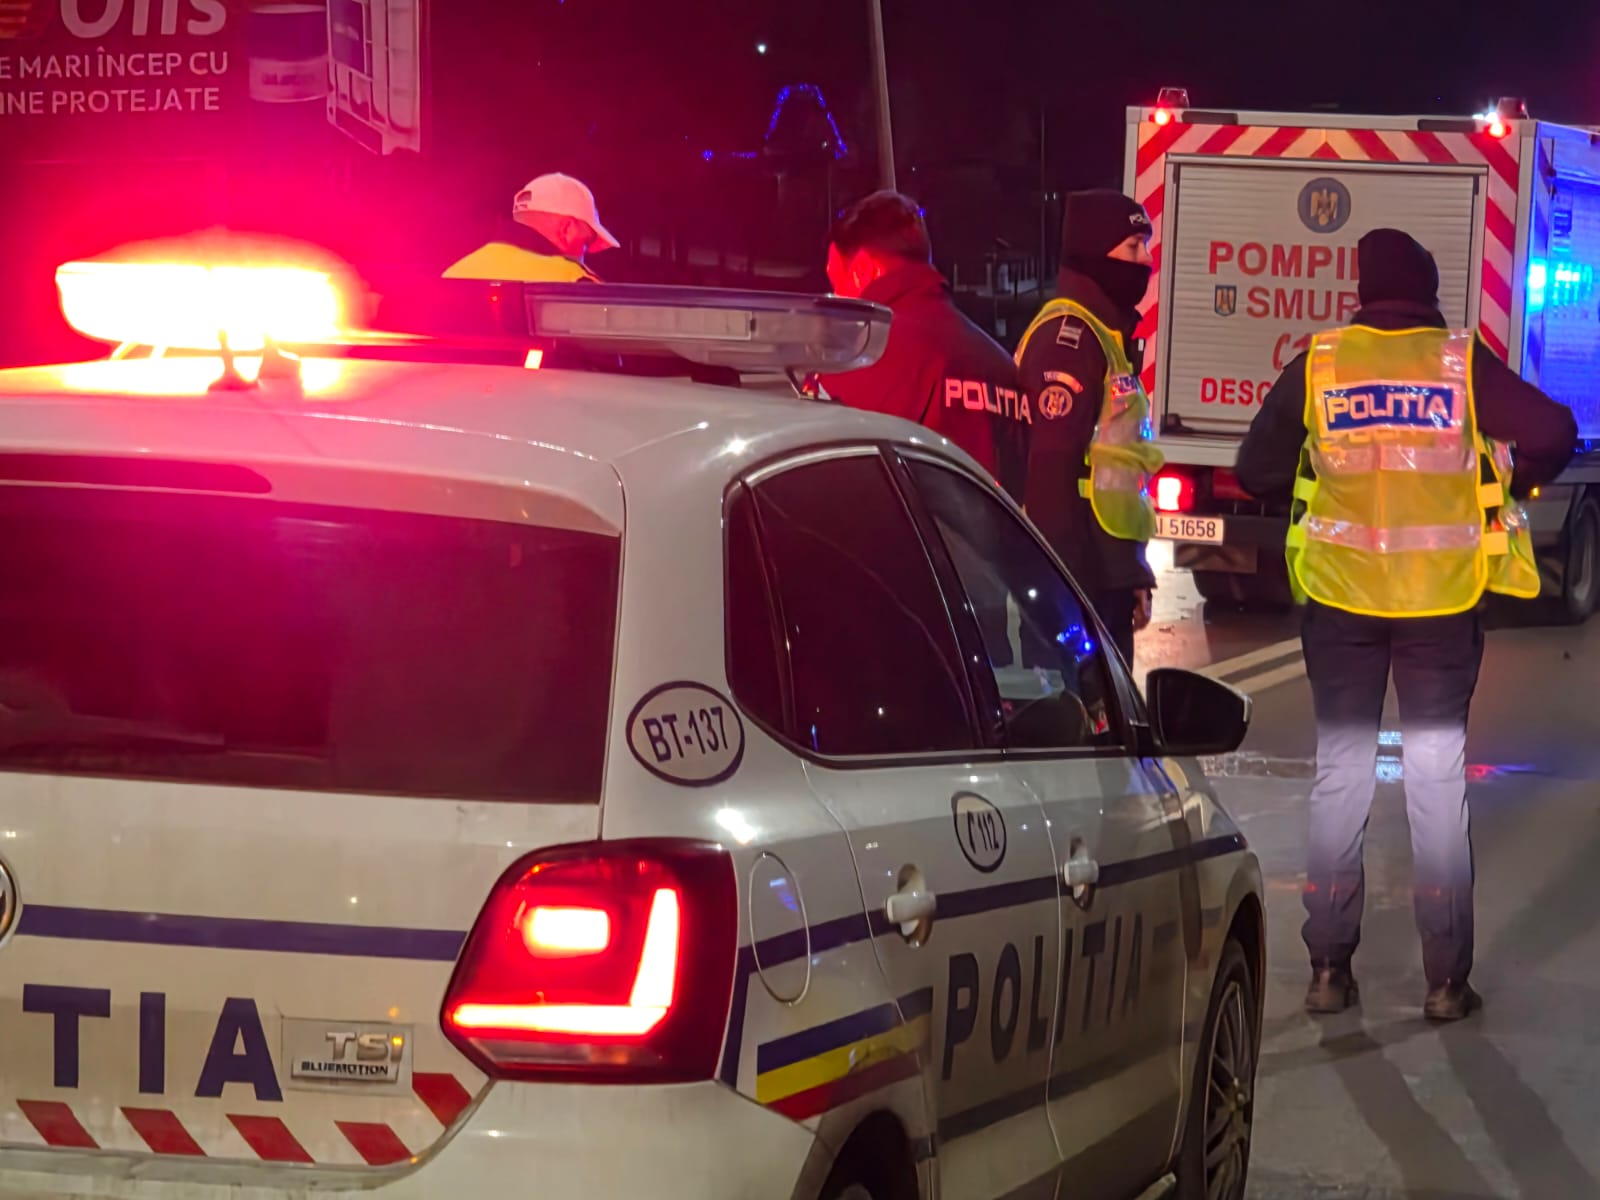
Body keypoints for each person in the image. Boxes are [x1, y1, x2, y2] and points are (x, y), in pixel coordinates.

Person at [1236, 227, 1578, 1022]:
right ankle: (1446, 983)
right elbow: (1555, 432)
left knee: (1340, 776)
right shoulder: (1457, 363)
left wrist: (1319, 469)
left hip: (1342, 602)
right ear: (1426, 293)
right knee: (1435, 782)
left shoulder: (1322, 363)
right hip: (1438, 606)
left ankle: (1328, 969)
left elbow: (1255, 469)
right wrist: (1512, 480)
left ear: (1363, 292)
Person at [1014, 190, 1165, 666]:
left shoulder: (1105, 335)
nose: (1146, 260)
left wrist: (1131, 572)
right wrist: (1064, 594)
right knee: (1079, 705)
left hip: (1105, 577)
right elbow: (1050, 474)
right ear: (1095, 255)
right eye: (1133, 247)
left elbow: (1110, 470)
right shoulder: (1069, 340)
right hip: (1077, 583)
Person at [817, 190, 1030, 500]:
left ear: (862, 269)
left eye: (837, 282)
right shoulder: (1001, 366)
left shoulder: (858, 358)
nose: (837, 297)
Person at [443, 173, 617, 284]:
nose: (584, 255)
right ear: (567, 230)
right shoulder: (575, 280)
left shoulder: (454, 273)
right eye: (586, 243)